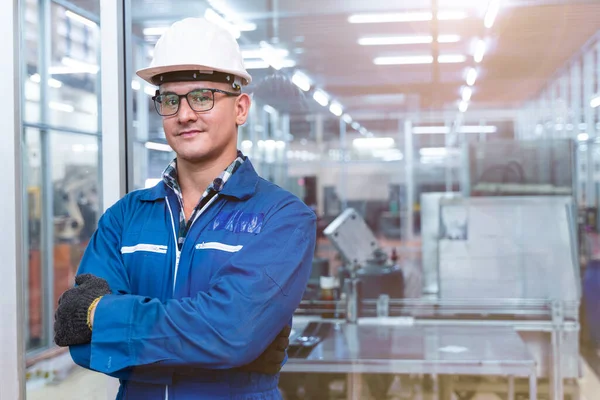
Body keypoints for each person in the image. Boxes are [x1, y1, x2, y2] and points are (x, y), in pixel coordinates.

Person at [53, 17, 317, 400]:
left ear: (240, 107)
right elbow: (80, 341)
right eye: (170, 99)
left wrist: (102, 317)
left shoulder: (282, 218)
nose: (185, 114)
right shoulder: (125, 218)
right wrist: (222, 345)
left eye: (202, 97)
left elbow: (231, 332)